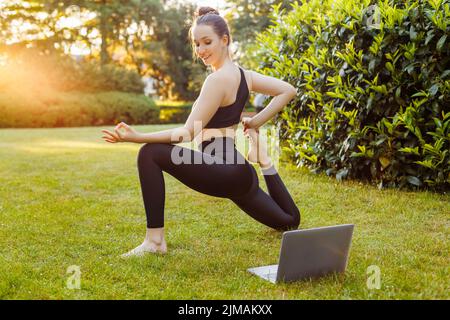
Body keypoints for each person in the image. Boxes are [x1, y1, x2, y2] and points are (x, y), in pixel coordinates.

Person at [101, 7, 300, 257]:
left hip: (224, 169)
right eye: (197, 44)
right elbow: (288, 90)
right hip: (240, 173)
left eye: (207, 42)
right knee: (289, 220)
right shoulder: (245, 77)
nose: (201, 50)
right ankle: (265, 161)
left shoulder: (216, 81)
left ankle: (155, 242)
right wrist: (256, 122)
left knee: (149, 153)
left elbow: (186, 133)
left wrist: (137, 137)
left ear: (224, 40)